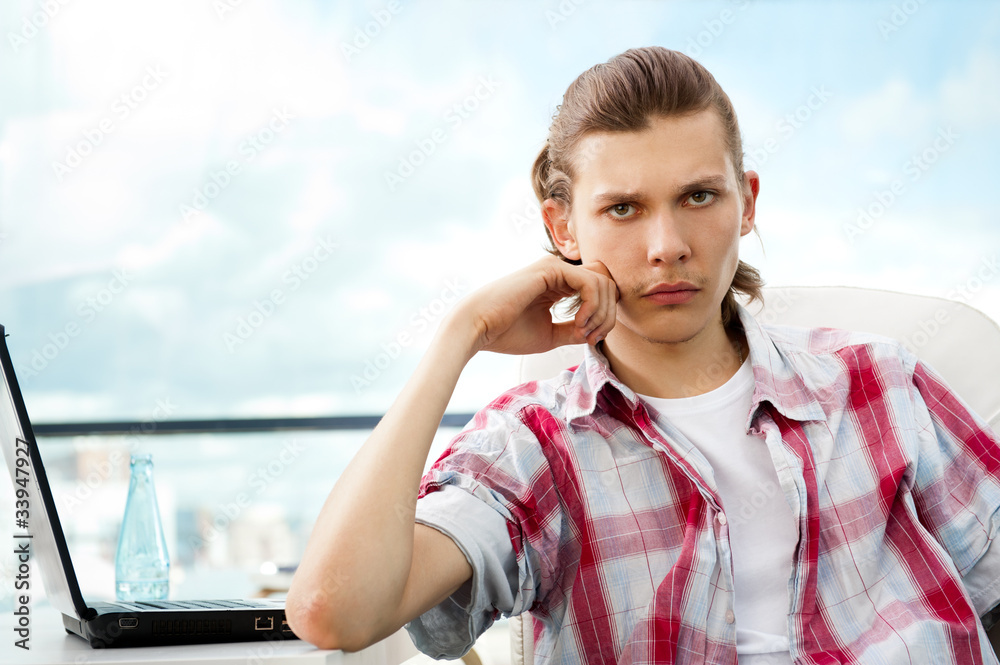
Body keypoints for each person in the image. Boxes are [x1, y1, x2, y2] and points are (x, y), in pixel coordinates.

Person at [285, 47, 1000, 664]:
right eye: (623, 208)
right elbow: (332, 609)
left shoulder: (881, 383)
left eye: (698, 195)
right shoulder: (537, 447)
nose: (668, 244)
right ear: (562, 226)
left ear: (746, 203)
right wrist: (460, 335)